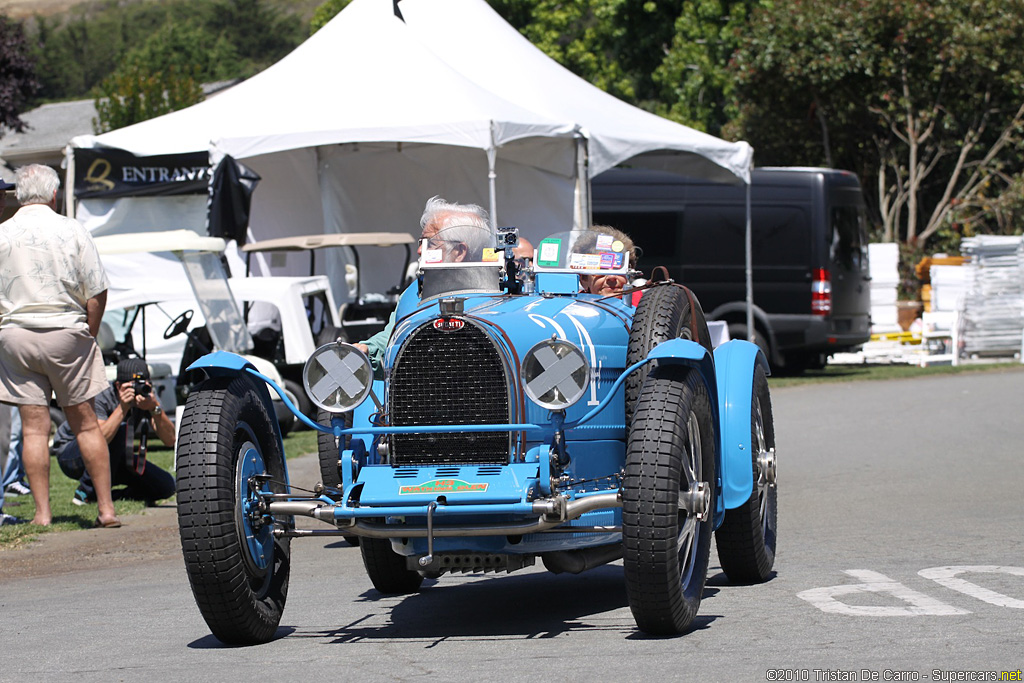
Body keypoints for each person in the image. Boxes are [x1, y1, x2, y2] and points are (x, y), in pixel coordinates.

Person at [0, 164, 120, 528]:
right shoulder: (73, 230)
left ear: (18, 195)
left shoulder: (1, 233)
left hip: (16, 334)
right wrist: (89, 332)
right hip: (67, 332)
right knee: (85, 425)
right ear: (54, 194)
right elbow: (96, 289)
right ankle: (105, 509)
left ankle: (42, 513)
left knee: (34, 429)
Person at [354, 196, 492, 374]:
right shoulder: (413, 293)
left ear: (459, 252)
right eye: (421, 242)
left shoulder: (497, 296)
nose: (419, 250)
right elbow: (393, 336)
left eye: (430, 243)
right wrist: (367, 350)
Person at [55, 358, 176, 506]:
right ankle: (86, 492)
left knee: (167, 486)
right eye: (131, 386)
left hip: (116, 453)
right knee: (119, 430)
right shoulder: (100, 395)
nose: (138, 389)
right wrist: (123, 408)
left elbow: (170, 439)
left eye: (143, 384)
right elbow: (98, 439)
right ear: (117, 385)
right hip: (72, 453)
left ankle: (112, 496)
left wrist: (154, 408)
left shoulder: (148, 395)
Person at [576, 225, 639, 297]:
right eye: (602, 269)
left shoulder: (644, 303)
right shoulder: (573, 306)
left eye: (617, 268)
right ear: (584, 279)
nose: (611, 277)